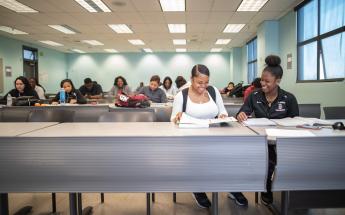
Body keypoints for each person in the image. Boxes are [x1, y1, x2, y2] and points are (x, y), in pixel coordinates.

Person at [171, 64, 247, 208]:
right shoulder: (182, 95)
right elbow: (172, 120)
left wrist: (223, 115)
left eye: (206, 82)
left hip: (215, 138)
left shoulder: (212, 91)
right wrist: (177, 117)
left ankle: (232, 186)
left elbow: (222, 111)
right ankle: (197, 187)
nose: (203, 86)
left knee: (233, 154)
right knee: (200, 156)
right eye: (199, 82)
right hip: (191, 142)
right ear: (191, 79)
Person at [236, 55, 299, 205]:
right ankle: (267, 187)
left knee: (290, 159)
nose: (262, 84)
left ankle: (291, 190)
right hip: (262, 141)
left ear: (278, 81)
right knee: (268, 159)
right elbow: (241, 113)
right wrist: (241, 114)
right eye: (262, 80)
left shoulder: (289, 98)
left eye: (267, 81)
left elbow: (295, 121)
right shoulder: (254, 95)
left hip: (283, 141)